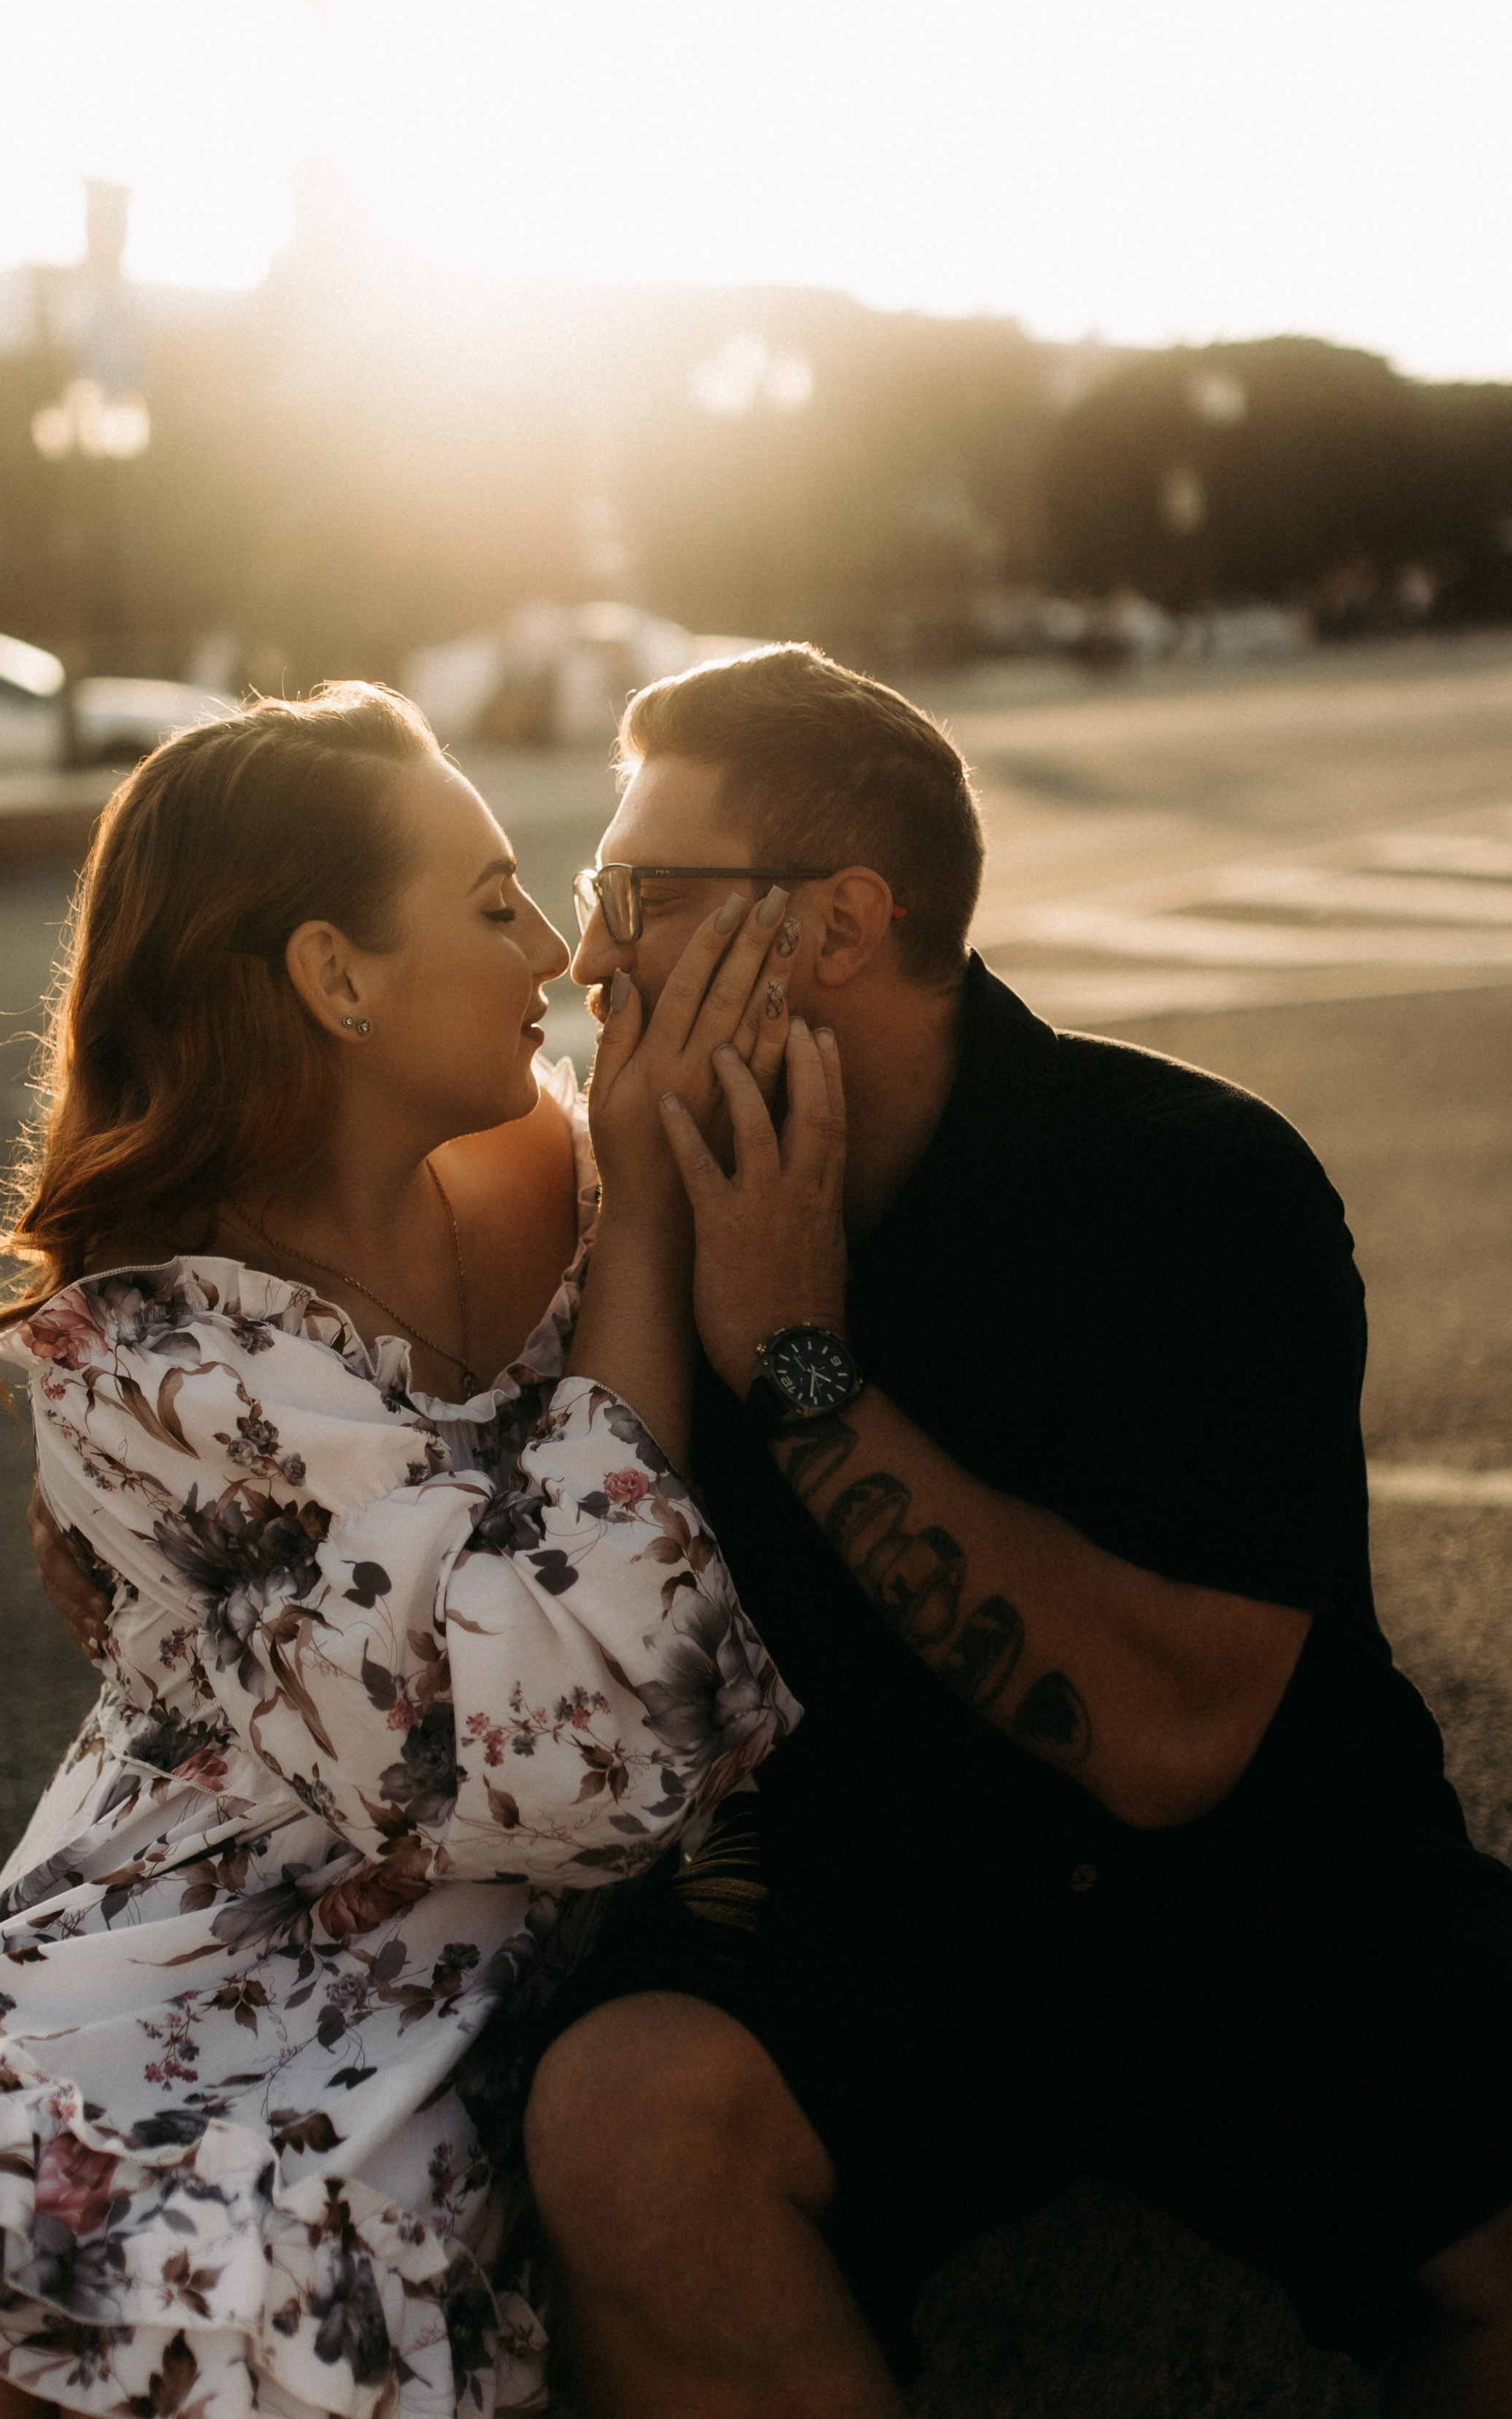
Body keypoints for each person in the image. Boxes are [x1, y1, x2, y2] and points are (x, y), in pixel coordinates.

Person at [0, 684, 802, 2419]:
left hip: (489, 1940)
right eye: (494, 906)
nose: (555, 956)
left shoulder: (571, 1148)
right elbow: (561, 1749)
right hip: (224, 1905)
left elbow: (596, 1762)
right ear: (335, 977)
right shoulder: (138, 1357)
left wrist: (628, 1197)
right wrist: (640, 1219)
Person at [513, 642, 1512, 2419]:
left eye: (636, 895)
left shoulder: (1190, 1186)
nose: (590, 955)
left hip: (1264, 1898)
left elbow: (1168, 1742)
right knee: (616, 2117)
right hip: (876, 1899)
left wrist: (793, 1363)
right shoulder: (631, 1194)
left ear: (832, 925)